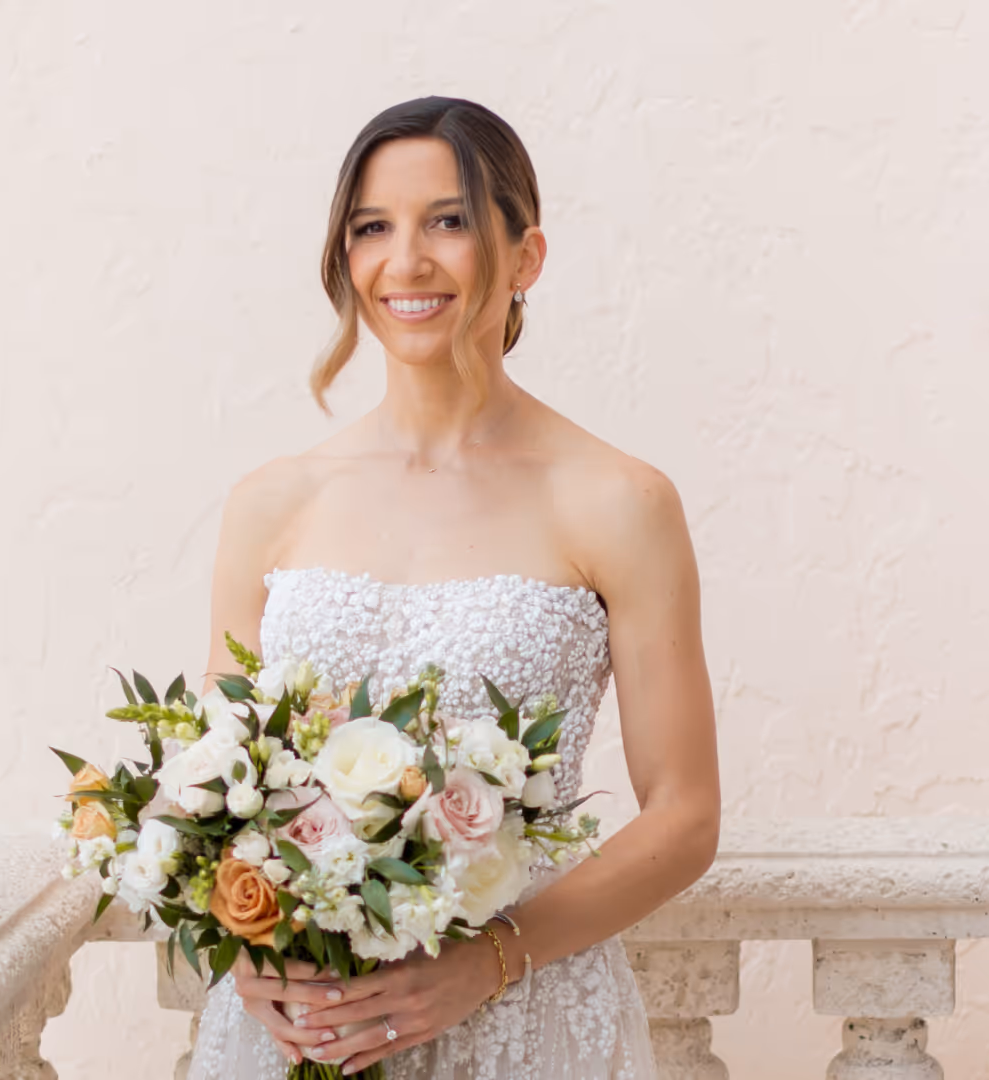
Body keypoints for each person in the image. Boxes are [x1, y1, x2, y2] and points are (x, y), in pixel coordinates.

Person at [186, 95, 720, 1080]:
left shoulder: (619, 501)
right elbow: (225, 786)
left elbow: (685, 814)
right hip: (306, 1023)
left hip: (529, 1016)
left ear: (527, 256)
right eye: (371, 228)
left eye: (451, 220)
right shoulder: (271, 504)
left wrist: (488, 963)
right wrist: (246, 951)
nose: (407, 261)